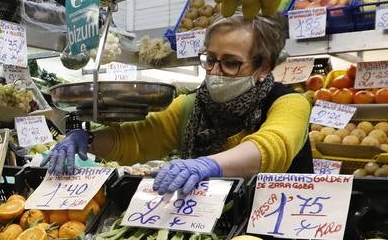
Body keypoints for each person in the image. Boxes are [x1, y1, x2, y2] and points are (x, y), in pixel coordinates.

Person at [48, 14, 311, 191]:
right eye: (210, 60)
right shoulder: (191, 106)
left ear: (263, 67)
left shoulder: (289, 103)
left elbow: (272, 147)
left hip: (282, 225)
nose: (216, 71)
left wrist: (209, 165)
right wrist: (86, 140)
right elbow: (139, 139)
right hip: (213, 220)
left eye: (231, 63)